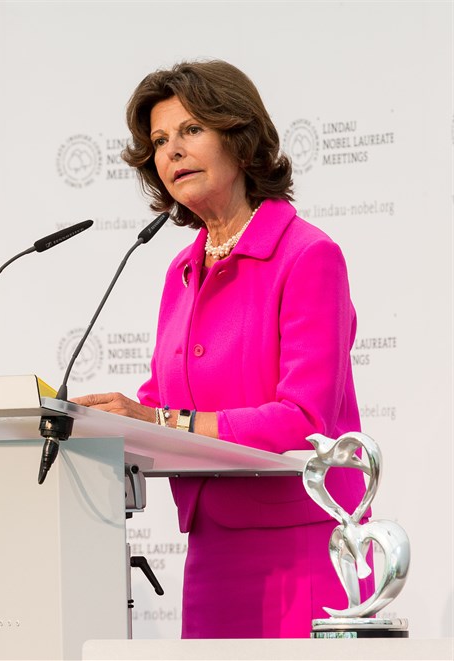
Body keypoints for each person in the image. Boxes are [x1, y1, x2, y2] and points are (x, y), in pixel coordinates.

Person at [72, 60, 372, 639]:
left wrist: (158, 418)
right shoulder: (181, 271)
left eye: (190, 131)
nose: (171, 152)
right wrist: (97, 425)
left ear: (239, 137)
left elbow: (304, 419)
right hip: (212, 546)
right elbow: (162, 403)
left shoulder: (307, 256)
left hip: (300, 546)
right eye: (160, 141)